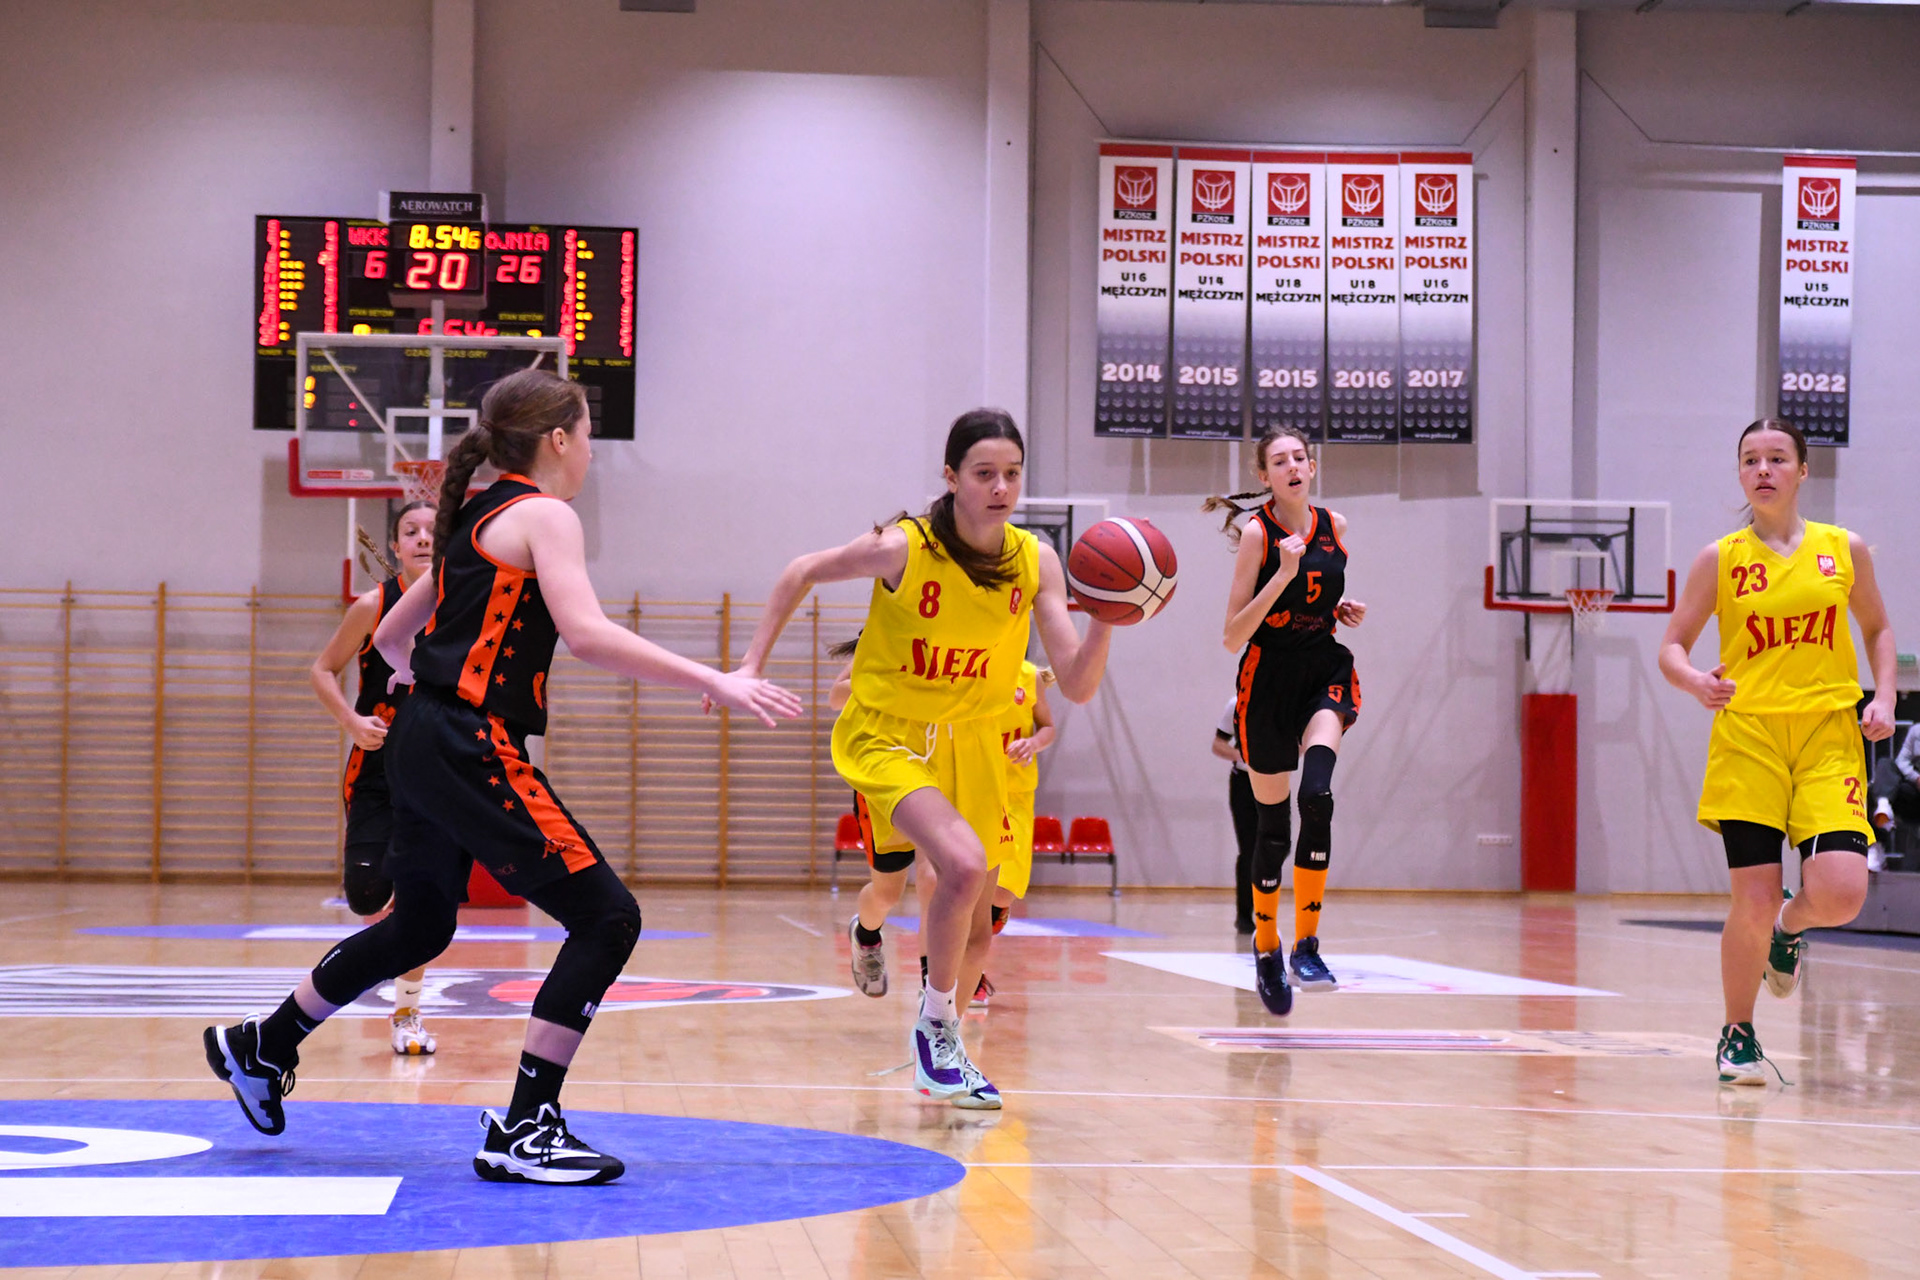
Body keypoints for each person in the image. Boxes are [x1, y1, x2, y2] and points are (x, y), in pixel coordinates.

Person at [204, 369, 801, 1181]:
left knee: (420, 929)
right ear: (557, 439)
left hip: (420, 738)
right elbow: (586, 634)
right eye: (586, 434)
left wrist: (430, 704)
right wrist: (714, 679)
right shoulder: (544, 515)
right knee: (607, 918)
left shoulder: (476, 518)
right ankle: (528, 1126)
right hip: (466, 741)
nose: (589, 451)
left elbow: (391, 643)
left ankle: (264, 1044)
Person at [735, 408, 1112, 1110]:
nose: (1001, 488)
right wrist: (751, 665)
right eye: (984, 473)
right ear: (951, 477)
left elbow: (1079, 684)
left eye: (1012, 474)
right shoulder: (905, 547)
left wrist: (1108, 622)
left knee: (979, 921)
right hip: (889, 735)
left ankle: (944, 1044)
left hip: (976, 742)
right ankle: (934, 1033)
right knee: (955, 868)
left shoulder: (1036, 560)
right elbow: (802, 570)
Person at [1659, 417, 1895, 1086]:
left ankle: (1790, 930)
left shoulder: (1843, 549)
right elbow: (1672, 646)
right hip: (1750, 737)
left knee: (1842, 895)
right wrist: (1696, 680)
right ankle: (1738, 1032)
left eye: (1776, 458)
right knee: (1752, 900)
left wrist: (1884, 697)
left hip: (1827, 736)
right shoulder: (1720, 558)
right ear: (1740, 474)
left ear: (1802, 470)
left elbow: (1878, 627)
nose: (1763, 470)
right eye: (1750, 460)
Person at [1203, 430, 1367, 1014]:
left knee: (1317, 797)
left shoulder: (1335, 525)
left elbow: (1316, 598)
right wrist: (1282, 574)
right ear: (1265, 476)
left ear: (1312, 467)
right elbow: (1232, 636)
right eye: (1279, 461)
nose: (1292, 466)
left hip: (1322, 670)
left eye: (1299, 457)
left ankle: (1307, 947)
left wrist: (1338, 610)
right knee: (1271, 830)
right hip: (1267, 681)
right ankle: (1267, 947)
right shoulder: (1258, 534)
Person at [308, 501, 440, 1056]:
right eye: (411, 530)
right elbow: (322, 669)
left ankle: (407, 1012)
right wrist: (351, 721)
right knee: (367, 895)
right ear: (395, 546)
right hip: (376, 770)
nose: (423, 538)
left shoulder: (465, 606)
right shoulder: (372, 605)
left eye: (433, 529)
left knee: (422, 903)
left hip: (436, 775)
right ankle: (372, 963)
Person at [977, 659, 1057, 1006]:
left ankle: (989, 924)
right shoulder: (966, 665)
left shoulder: (1029, 676)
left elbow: (1048, 727)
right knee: (970, 890)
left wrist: (1034, 743)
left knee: (1002, 892)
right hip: (973, 787)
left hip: (1016, 793)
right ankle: (970, 975)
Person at [1212, 693, 1256, 935]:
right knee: (1249, 849)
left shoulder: (1285, 700)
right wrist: (1242, 756)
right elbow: (1218, 744)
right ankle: (1244, 915)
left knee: (1277, 847)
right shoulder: (1237, 704)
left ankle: (1264, 907)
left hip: (1275, 781)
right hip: (1244, 783)